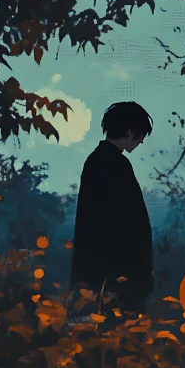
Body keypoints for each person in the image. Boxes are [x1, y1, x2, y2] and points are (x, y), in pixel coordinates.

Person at [69, 101, 155, 313]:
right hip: (116, 273)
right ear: (129, 131)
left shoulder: (97, 161)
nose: (141, 141)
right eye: (141, 135)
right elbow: (129, 223)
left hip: (101, 271)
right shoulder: (115, 165)